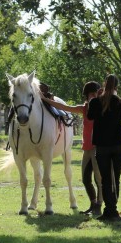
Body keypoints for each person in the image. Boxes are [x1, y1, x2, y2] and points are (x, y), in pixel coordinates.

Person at [42, 81, 104, 216]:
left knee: (98, 179)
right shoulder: (83, 108)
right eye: (91, 94)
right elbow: (64, 107)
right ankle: (93, 203)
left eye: (95, 94)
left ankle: (99, 205)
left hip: (98, 148)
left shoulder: (102, 107)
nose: (93, 96)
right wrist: (45, 99)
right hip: (87, 148)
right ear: (86, 96)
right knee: (86, 179)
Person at [87, 74, 121, 222]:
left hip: (102, 145)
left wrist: (94, 98)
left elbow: (90, 117)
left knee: (105, 179)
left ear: (104, 84)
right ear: (117, 86)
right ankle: (112, 210)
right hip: (118, 144)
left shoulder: (96, 102)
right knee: (115, 178)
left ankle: (109, 211)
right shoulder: (120, 102)